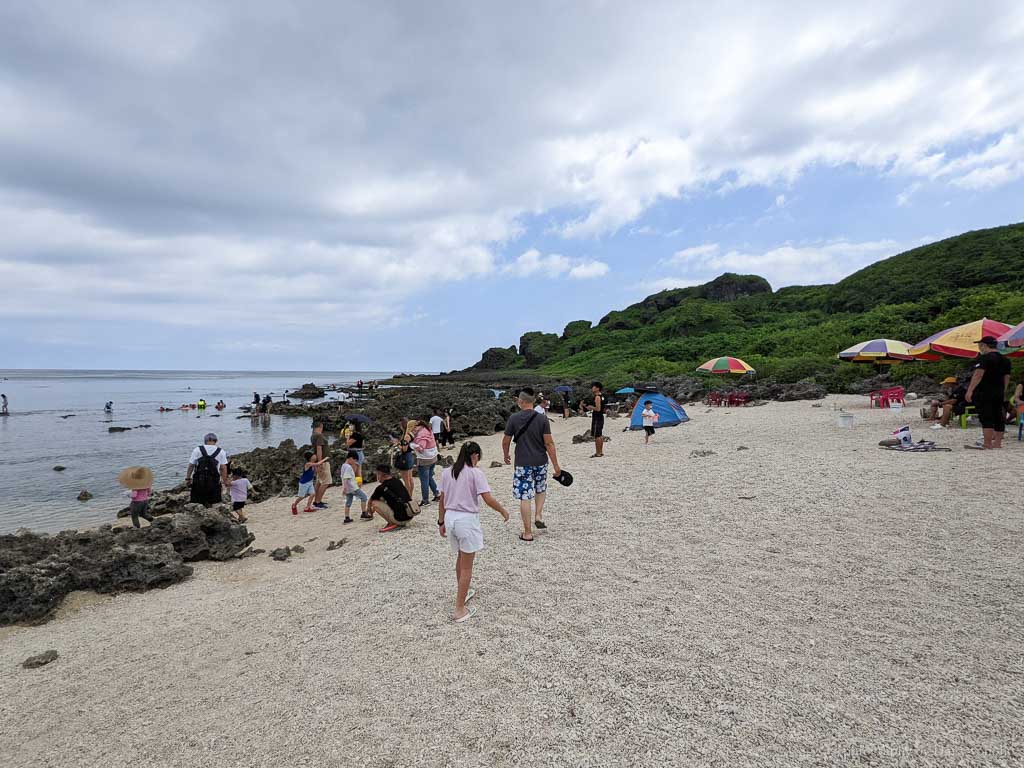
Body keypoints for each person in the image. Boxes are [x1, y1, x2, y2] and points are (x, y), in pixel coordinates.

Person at [438, 441, 510, 623]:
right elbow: (487, 498)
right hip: (466, 520)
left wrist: (441, 522)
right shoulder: (475, 473)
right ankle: (459, 609)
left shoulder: (447, 472)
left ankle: (464, 592)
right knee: (467, 566)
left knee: (460, 559)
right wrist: (502, 510)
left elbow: (442, 500)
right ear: (475, 455)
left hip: (450, 518)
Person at [502, 389, 562, 541]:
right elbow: (549, 443)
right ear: (533, 401)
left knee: (525, 496)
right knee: (540, 489)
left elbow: (506, 440)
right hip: (540, 461)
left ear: (521, 401)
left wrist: (506, 454)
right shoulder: (542, 419)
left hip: (523, 463)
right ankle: (538, 514)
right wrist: (556, 465)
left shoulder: (514, 418)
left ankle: (528, 533)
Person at [965, 336, 1012, 449]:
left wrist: (970, 390)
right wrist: (1003, 390)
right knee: (998, 416)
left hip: (984, 391)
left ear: (984, 345)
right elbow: (1007, 377)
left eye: (980, 345)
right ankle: (997, 443)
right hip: (999, 391)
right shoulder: (1005, 360)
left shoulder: (984, 358)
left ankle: (987, 443)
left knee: (986, 416)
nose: (979, 348)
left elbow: (978, 375)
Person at [369, 464, 418, 532]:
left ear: (381, 474)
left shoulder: (381, 488)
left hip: (399, 520)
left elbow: (371, 501)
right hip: (410, 515)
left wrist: (369, 511)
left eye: (377, 474)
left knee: (375, 503)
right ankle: (396, 520)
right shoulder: (397, 481)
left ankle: (392, 523)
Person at [186, 433, 229, 506]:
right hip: (214, 482)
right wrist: (224, 481)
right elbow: (223, 468)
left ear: (205, 441)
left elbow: (191, 465)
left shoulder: (197, 449)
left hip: (198, 482)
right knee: (214, 503)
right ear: (216, 441)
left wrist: (188, 478)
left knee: (197, 504)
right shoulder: (221, 451)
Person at [411, 420, 440, 505]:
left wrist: (411, 445)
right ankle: (437, 494)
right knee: (429, 477)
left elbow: (421, 448)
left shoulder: (422, 434)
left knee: (424, 480)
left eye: (415, 427)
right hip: (433, 458)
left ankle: (425, 500)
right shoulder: (428, 430)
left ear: (420, 426)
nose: (414, 428)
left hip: (425, 460)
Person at [340, 450, 370, 524]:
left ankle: (347, 518)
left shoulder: (343, 466)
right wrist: (345, 488)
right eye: (354, 460)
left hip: (347, 488)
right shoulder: (348, 467)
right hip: (352, 487)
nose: (354, 462)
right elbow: (346, 478)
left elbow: (343, 477)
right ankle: (364, 513)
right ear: (350, 458)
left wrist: (344, 488)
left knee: (348, 502)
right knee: (364, 497)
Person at [310, 421, 332, 509]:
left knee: (319, 482)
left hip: (320, 461)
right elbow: (319, 448)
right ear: (320, 426)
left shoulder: (313, 436)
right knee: (326, 482)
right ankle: (318, 502)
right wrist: (320, 463)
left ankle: (316, 500)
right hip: (323, 461)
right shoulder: (319, 436)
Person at [584, 382, 606, 457]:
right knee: (600, 435)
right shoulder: (602, 396)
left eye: (593, 387)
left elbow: (598, 408)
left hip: (597, 417)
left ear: (597, 388)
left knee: (597, 435)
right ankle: (600, 452)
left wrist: (591, 407)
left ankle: (598, 453)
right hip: (600, 417)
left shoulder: (597, 397)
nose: (592, 388)